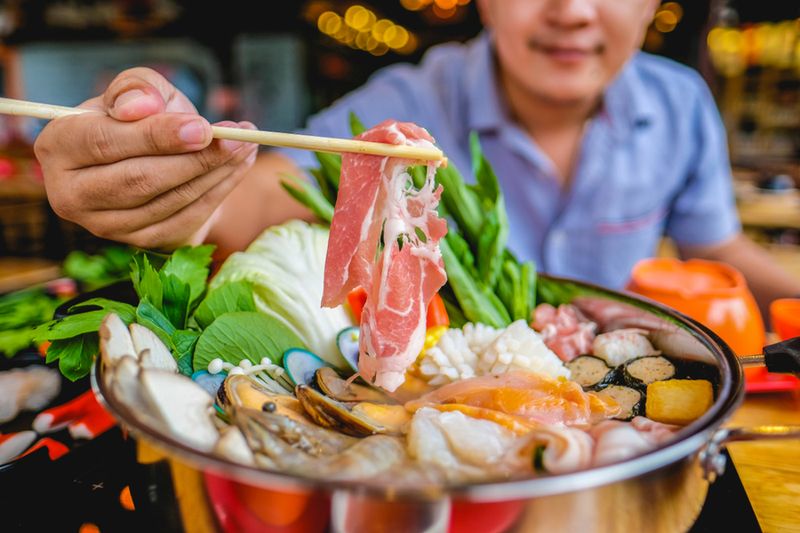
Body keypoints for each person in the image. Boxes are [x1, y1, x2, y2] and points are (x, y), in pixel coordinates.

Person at [34, 0, 800, 319]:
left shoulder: (681, 102)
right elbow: (269, 196)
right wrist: (172, 184)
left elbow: (718, 249)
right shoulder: (411, 100)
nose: (572, 12)